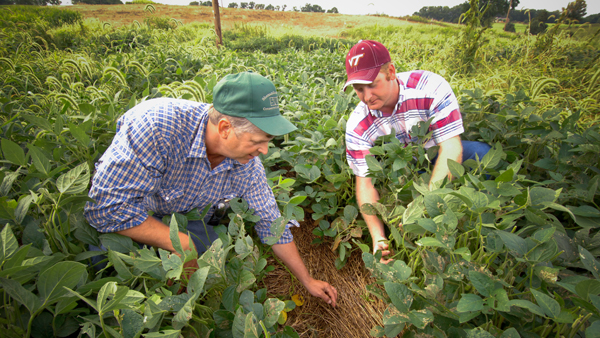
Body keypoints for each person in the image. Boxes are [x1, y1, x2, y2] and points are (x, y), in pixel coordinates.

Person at [85, 71, 338, 307]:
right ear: (225, 128)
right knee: (108, 262)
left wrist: (308, 280)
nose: (264, 151)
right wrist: (181, 244)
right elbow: (106, 209)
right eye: (258, 142)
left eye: (267, 142)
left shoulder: (247, 165)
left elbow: (271, 224)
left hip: (183, 216)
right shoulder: (157, 126)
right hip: (138, 214)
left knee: (215, 253)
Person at [343, 40, 491, 262]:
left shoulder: (431, 88)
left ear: (391, 72)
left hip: (437, 153)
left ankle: (484, 211)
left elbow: (451, 147)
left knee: (483, 154)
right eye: (359, 89)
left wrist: (426, 205)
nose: (366, 96)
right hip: (402, 170)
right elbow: (365, 184)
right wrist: (378, 238)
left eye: (372, 84)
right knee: (407, 190)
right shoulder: (358, 124)